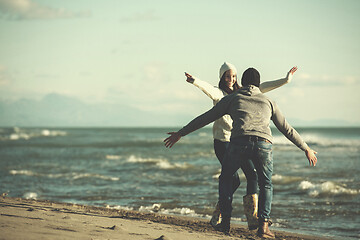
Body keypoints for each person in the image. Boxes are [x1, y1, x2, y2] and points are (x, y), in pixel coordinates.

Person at [164, 67, 317, 238]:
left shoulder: (232, 98)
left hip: (239, 143)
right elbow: (286, 128)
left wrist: (181, 133)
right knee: (265, 184)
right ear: (259, 83)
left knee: (226, 179)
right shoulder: (269, 101)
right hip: (263, 144)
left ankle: (226, 223)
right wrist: (306, 148)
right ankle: (263, 226)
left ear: (242, 82)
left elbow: (206, 117)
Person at [185, 62, 298, 230]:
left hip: (239, 141)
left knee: (252, 176)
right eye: (227, 76)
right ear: (222, 77)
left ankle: (251, 217)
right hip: (223, 142)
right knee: (234, 180)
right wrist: (195, 81)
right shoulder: (219, 93)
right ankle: (221, 212)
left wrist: (285, 80)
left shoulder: (241, 92)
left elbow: (261, 87)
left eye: (234, 76)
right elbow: (208, 88)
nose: (231, 79)